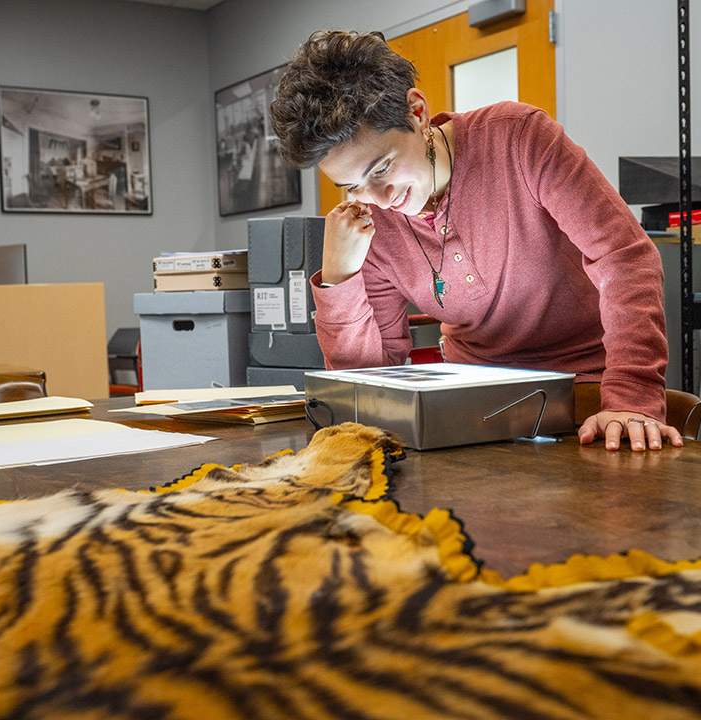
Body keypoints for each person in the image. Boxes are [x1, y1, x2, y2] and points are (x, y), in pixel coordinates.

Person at [270, 30, 680, 452]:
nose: (381, 200)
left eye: (381, 169)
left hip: (589, 391)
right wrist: (341, 278)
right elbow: (373, 384)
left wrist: (632, 395)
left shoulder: (518, 138)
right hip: (472, 409)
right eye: (351, 186)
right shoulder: (368, 226)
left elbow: (625, 258)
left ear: (417, 112)